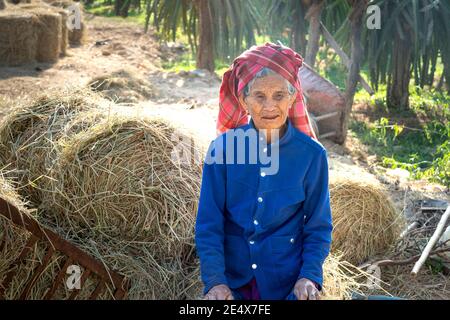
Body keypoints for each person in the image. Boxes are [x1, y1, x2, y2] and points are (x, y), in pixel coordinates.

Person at [195, 42, 332, 300]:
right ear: (244, 100)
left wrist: (309, 276)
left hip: (287, 285)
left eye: (279, 95)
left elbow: (318, 226)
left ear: (293, 98)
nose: (269, 106)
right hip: (232, 284)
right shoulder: (222, 150)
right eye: (259, 96)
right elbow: (208, 224)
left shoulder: (312, 156)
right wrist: (215, 281)